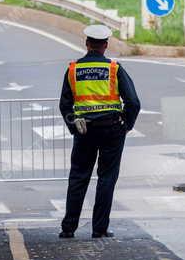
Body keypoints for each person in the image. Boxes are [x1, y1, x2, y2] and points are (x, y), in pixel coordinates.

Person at [58, 24, 140, 239]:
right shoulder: (114, 68)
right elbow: (133, 101)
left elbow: (64, 104)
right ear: (105, 45)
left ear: (86, 44)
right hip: (112, 129)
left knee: (78, 176)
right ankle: (99, 228)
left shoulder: (74, 69)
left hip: (84, 131)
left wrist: (73, 125)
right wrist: (126, 125)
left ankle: (68, 228)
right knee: (106, 178)